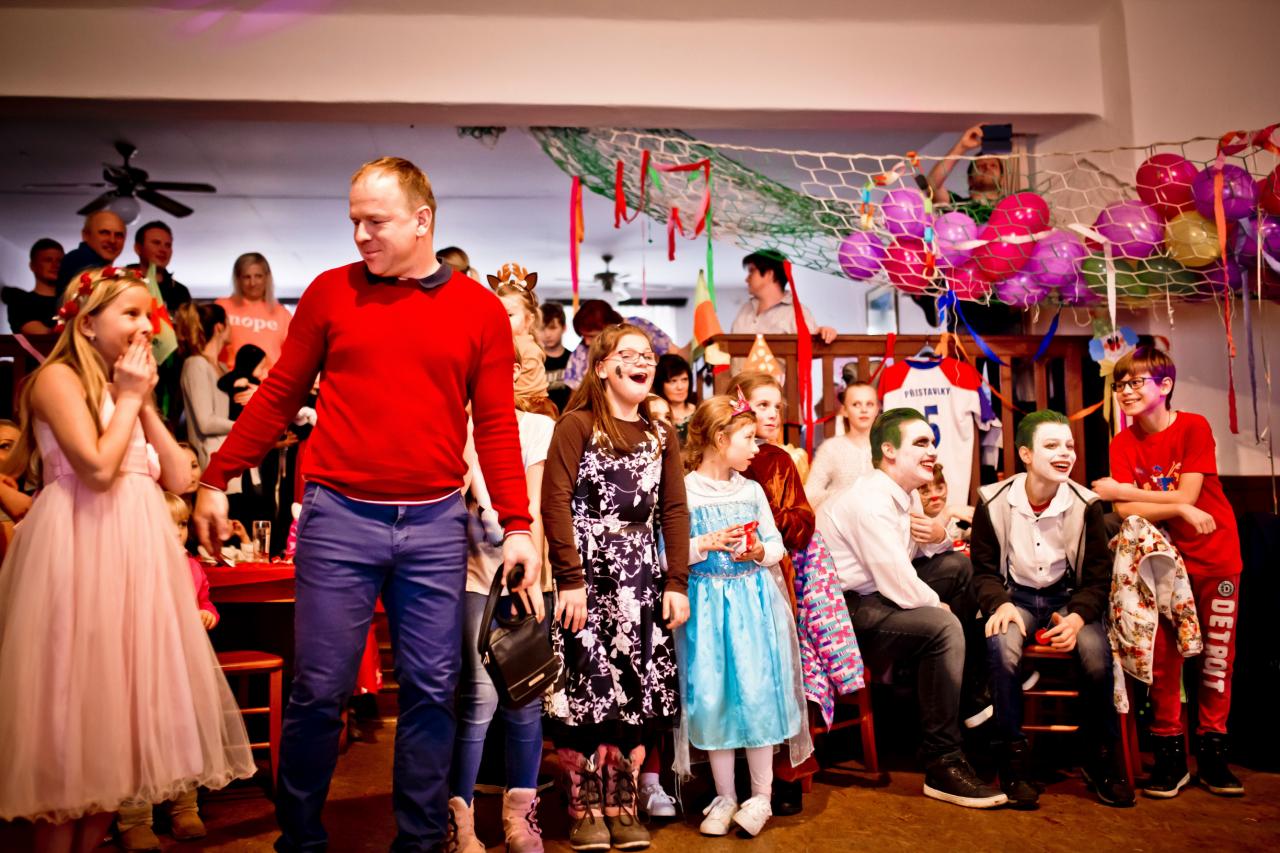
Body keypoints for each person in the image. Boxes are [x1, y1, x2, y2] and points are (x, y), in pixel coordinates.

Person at [192, 156, 538, 851]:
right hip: (339, 518)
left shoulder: (477, 310)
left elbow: (497, 424)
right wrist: (215, 476)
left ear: (422, 220)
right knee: (319, 689)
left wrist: (519, 524)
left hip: (435, 521)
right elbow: (279, 396)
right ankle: (300, 839)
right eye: (354, 220)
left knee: (433, 689)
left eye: (375, 221)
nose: (360, 235)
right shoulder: (330, 292)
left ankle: (419, 841)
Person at [0, 266, 254, 850]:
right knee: (71, 730)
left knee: (118, 738)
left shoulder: (127, 390)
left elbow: (179, 476)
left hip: (136, 561)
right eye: (132, 313)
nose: (147, 326)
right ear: (87, 323)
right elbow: (95, 468)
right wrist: (131, 396)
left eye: (150, 315)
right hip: (80, 553)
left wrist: (139, 403)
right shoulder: (56, 379)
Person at [541, 324, 689, 852]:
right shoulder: (576, 425)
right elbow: (555, 502)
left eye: (648, 355)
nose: (643, 362)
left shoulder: (661, 433)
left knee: (633, 688)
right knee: (585, 688)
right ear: (602, 367)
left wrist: (676, 581)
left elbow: (674, 510)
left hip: (641, 578)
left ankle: (620, 800)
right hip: (587, 574)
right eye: (629, 354)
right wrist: (569, 579)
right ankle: (582, 802)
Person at [815, 408, 1006, 809]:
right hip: (847, 615)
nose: (932, 451)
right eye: (921, 443)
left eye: (932, 442)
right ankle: (942, 762)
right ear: (889, 451)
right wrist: (941, 609)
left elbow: (922, 555)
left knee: (959, 568)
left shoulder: (905, 493)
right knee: (943, 627)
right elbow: (897, 582)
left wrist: (939, 536)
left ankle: (969, 692)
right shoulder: (869, 502)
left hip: (878, 594)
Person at [1092, 346, 1245, 798]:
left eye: (1135, 382)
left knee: (1216, 659)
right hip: (1159, 560)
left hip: (1214, 554)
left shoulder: (1193, 426)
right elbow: (1125, 510)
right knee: (1163, 658)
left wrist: (1129, 491)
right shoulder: (1122, 442)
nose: (1125, 391)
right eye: (1120, 384)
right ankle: (1170, 757)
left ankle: (1214, 755)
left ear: (1165, 386)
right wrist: (1172, 506)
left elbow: (1188, 494)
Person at [971, 411, 1134, 809]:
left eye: (1069, 446)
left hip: (1068, 599)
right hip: (1017, 597)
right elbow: (983, 571)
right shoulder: (993, 499)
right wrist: (999, 603)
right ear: (1026, 454)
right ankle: (1012, 758)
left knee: (1096, 655)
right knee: (1002, 645)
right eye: (1051, 445)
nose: (1065, 453)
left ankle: (1100, 757)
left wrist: (1077, 617)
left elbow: (1097, 580)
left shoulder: (1085, 504)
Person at [677, 395, 809, 838]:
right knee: (713, 696)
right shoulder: (685, 491)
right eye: (748, 438)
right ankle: (725, 796)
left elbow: (776, 545)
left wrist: (757, 551)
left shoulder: (751, 491)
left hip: (752, 605)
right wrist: (702, 544)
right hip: (706, 608)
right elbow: (667, 553)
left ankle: (761, 796)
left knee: (757, 693)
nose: (757, 447)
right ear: (720, 438)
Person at [449, 347, 556, 853]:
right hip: (474, 577)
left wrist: (529, 568)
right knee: (478, 699)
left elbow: (534, 503)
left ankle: (520, 819)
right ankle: (460, 821)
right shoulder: (458, 428)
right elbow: (456, 499)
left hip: (527, 574)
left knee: (524, 697)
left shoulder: (537, 427)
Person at [116, 491, 222, 851]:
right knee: (136, 737)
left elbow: (203, 599)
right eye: (167, 524)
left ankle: (184, 805)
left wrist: (207, 612)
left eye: (181, 524)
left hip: (182, 666)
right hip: (140, 663)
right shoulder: (131, 565)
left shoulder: (191, 565)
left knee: (182, 729)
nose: (177, 532)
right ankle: (134, 817)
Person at [488, 263, 558, 418]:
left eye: (509, 315)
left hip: (530, 408)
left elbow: (518, 389)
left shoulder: (524, 346)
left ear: (529, 320)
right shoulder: (505, 344)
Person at [561, 299, 678, 391]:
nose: (587, 342)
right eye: (583, 336)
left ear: (608, 326)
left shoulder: (640, 326)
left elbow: (675, 356)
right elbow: (576, 394)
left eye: (592, 336)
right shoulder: (580, 354)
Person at [176, 302, 237, 470]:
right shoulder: (196, 364)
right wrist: (245, 426)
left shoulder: (223, 368)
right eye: (229, 322)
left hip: (234, 456)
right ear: (219, 327)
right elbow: (205, 422)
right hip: (212, 458)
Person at [729, 250, 836, 343]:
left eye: (752, 271)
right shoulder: (745, 309)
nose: (746, 279)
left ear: (769, 274)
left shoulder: (796, 313)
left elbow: (811, 345)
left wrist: (824, 332)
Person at [805, 381, 878, 510]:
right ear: (844, 410)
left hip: (881, 520)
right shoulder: (831, 448)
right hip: (839, 520)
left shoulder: (889, 448)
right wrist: (844, 496)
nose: (864, 410)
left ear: (877, 409)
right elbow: (810, 494)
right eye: (856, 404)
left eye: (869, 404)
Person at [216, 252, 293, 368]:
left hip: (269, 377)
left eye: (258, 276)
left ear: (267, 278)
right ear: (237, 279)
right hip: (230, 376)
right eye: (247, 277)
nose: (252, 283)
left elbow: (292, 356)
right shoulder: (222, 307)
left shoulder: (282, 314)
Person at [926, 124, 1006, 224]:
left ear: (1002, 179)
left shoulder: (1010, 208)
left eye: (993, 165)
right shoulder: (957, 206)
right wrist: (962, 146)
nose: (987, 167)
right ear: (970, 179)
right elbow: (932, 186)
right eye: (981, 166)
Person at [56, 210, 127, 293]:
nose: (112, 240)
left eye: (119, 235)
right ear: (86, 235)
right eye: (104, 233)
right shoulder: (79, 260)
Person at [3, 238, 64, 335]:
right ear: (32, 266)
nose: (55, 265)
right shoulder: (20, 303)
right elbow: (42, 335)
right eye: (48, 260)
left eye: (60, 261)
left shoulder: (74, 300)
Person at [131, 221, 191, 315]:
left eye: (168, 245)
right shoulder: (122, 283)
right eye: (156, 243)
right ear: (138, 248)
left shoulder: (180, 291)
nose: (163, 250)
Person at [918, 463, 974, 549]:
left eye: (939, 489)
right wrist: (946, 513)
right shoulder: (917, 522)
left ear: (946, 487)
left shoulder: (957, 518)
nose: (934, 496)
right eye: (925, 492)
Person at [654, 354, 696, 444]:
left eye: (684, 380)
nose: (680, 387)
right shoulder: (653, 417)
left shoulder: (699, 414)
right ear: (660, 384)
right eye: (673, 381)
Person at [540, 302, 572, 412]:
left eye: (552, 328)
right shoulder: (534, 360)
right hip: (540, 418)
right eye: (542, 329)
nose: (547, 334)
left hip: (568, 418)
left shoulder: (575, 360)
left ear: (564, 328)